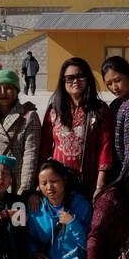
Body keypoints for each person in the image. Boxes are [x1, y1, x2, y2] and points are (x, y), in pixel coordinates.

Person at [26, 158, 93, 259]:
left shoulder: (81, 204)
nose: (49, 187)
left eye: (54, 181)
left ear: (64, 179)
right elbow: (30, 237)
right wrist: (34, 253)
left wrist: (73, 223)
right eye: (44, 183)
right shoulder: (36, 207)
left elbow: (88, 243)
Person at [41, 57, 113, 199]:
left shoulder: (100, 109)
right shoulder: (54, 109)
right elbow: (44, 147)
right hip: (57, 183)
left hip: (88, 183)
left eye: (81, 76)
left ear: (88, 79)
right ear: (63, 80)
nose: (75, 81)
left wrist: (100, 185)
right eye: (70, 77)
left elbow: (106, 147)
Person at [0, 66, 40, 195]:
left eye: (9, 87)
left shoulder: (29, 116)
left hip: (19, 184)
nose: (3, 92)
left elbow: (31, 155)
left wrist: (24, 190)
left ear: (17, 90)